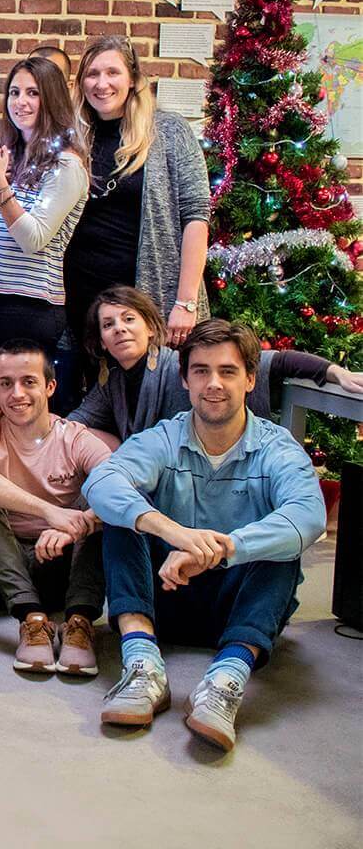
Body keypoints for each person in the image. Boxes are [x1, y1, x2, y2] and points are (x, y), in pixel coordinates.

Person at [84, 319, 327, 752]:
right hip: (163, 594)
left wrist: (224, 550)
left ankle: (225, 680)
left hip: (239, 606)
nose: (213, 383)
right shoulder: (164, 436)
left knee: (284, 547)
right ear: (185, 379)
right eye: (201, 371)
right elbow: (101, 481)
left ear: (250, 379)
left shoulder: (277, 448)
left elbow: (309, 516)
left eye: (227, 371)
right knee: (122, 518)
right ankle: (143, 667)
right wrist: (174, 532)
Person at [0, 340, 110, 677]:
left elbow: (121, 485)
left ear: (50, 387)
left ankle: (80, 622)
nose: (17, 394)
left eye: (28, 382)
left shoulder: (74, 437)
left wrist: (77, 525)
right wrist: (49, 512)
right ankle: (31, 620)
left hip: (61, 571)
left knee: (102, 497)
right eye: (6, 383)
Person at [66, 36, 210, 377]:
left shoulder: (169, 132)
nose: (101, 84)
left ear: (132, 79)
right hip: (82, 295)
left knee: (156, 390)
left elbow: (196, 216)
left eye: (112, 72)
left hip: (152, 292)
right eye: (92, 74)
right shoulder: (73, 135)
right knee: (95, 396)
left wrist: (186, 301)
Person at [68, 285, 363, 442]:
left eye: (129, 319)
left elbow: (278, 361)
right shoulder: (113, 382)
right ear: (102, 341)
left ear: (150, 328)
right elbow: (76, 422)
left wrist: (335, 372)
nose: (119, 329)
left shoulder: (183, 364)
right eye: (108, 324)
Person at [0, 55, 89, 402]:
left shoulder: (66, 166)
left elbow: (33, 238)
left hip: (29, 307)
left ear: (52, 99)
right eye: (15, 92)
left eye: (33, 93)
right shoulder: (11, 158)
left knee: (19, 407)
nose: (21, 102)